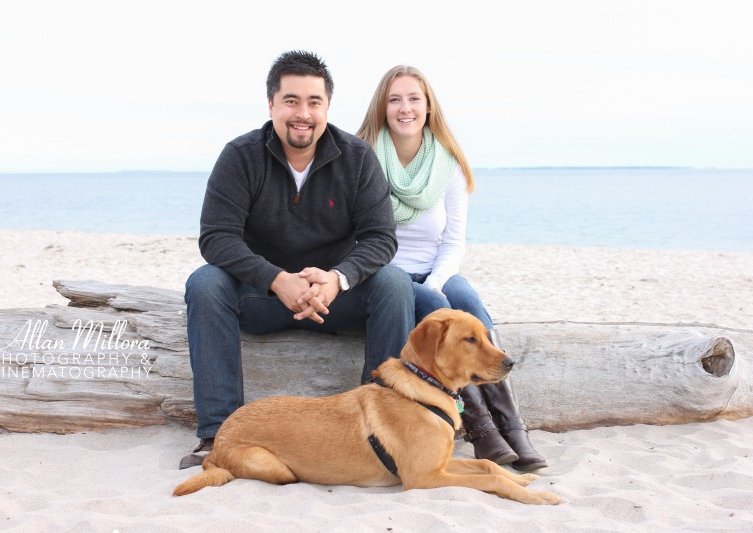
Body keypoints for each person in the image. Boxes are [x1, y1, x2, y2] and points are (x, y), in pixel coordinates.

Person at [180, 51, 415, 469]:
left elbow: (381, 238)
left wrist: (338, 279)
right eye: (291, 101)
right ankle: (216, 434)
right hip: (263, 298)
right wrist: (275, 279)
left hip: (333, 300)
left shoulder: (357, 157)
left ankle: (381, 432)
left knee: (394, 284)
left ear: (327, 107)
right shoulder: (240, 155)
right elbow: (217, 237)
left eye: (313, 102)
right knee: (206, 282)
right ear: (271, 105)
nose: (302, 113)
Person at [356, 65, 547, 471]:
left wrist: (439, 285)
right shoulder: (362, 157)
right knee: (439, 304)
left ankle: (513, 428)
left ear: (428, 107)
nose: (404, 108)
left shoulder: (448, 165)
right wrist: (431, 296)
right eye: (395, 99)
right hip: (383, 274)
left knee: (468, 302)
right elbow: (356, 237)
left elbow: (453, 241)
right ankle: (482, 432)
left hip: (435, 270)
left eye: (414, 99)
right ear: (382, 107)